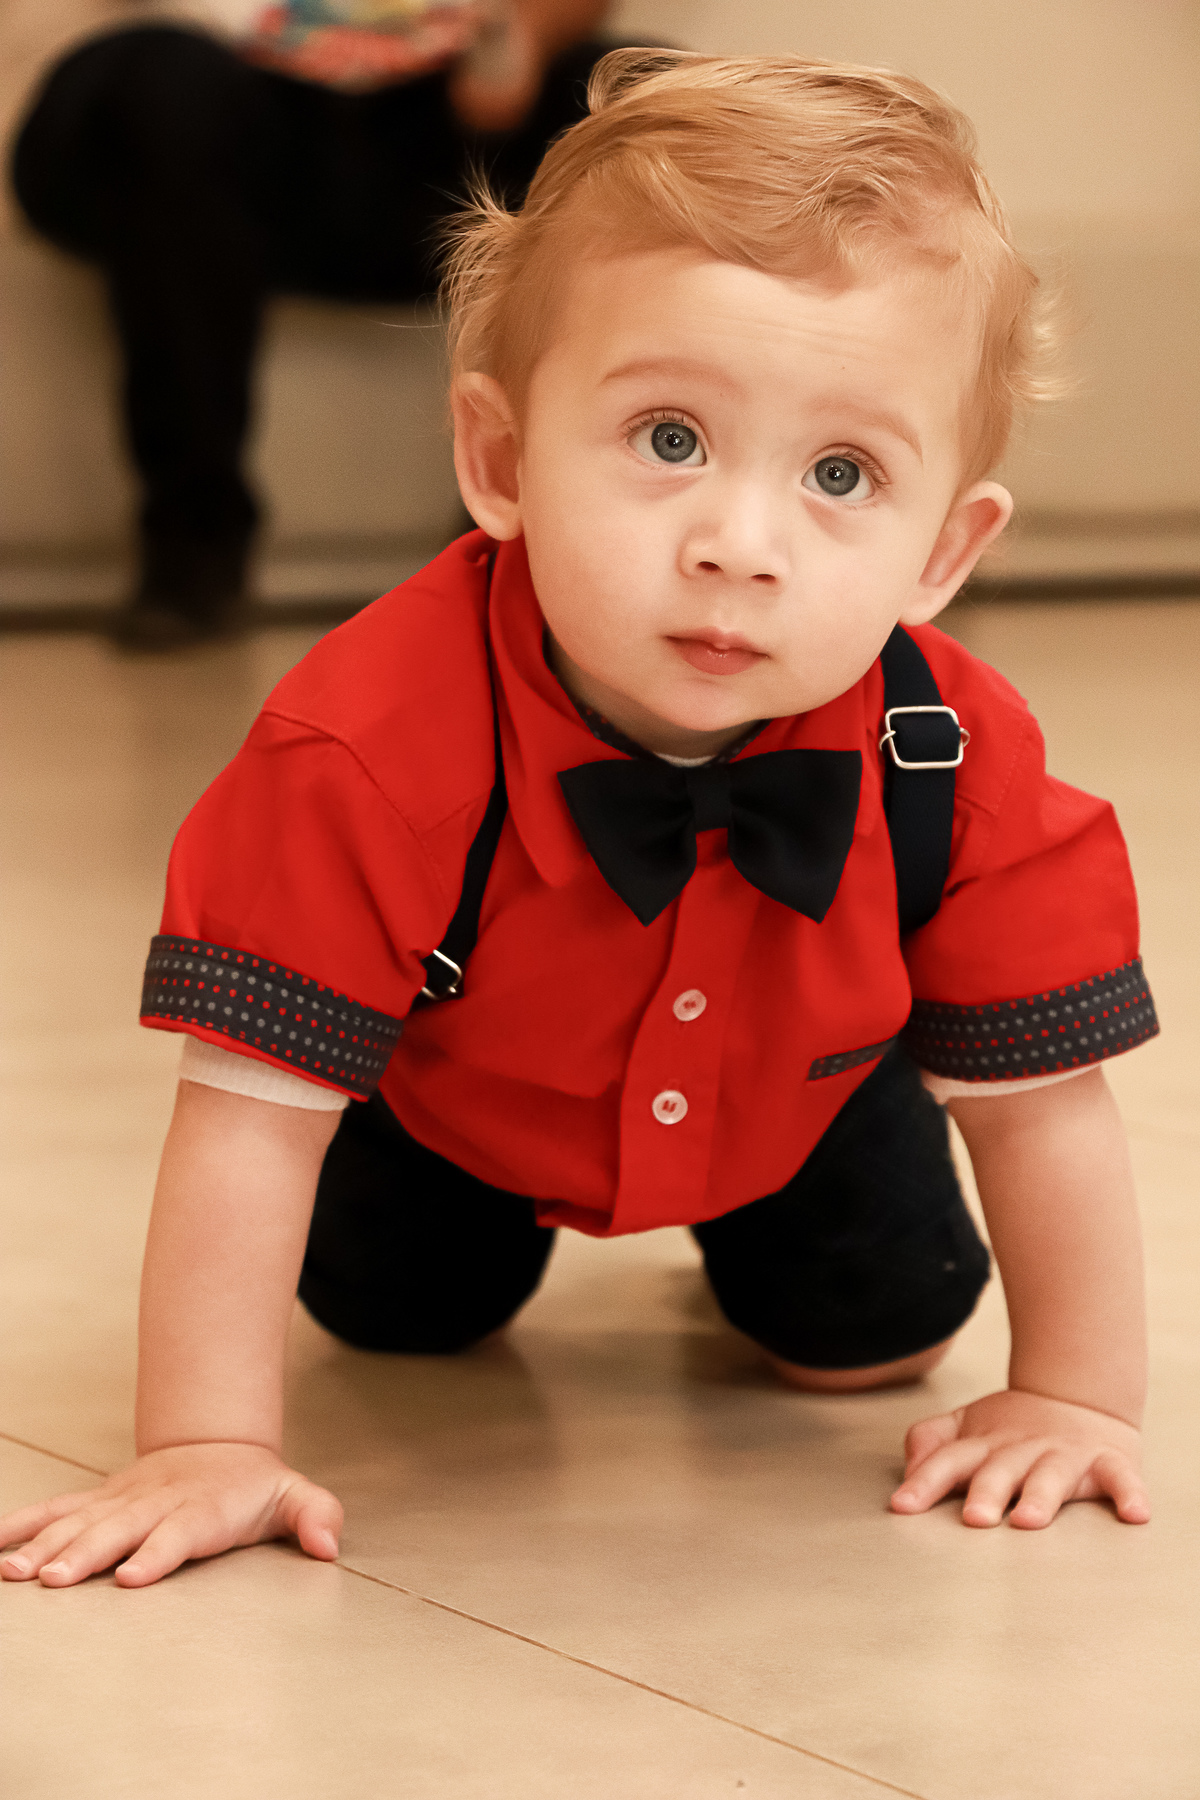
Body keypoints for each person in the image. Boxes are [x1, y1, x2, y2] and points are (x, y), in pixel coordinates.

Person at [0, 49, 1158, 1590]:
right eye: (669, 439)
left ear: (944, 553)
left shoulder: (955, 761)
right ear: (500, 462)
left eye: (840, 472)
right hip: (453, 1109)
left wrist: (1076, 1393)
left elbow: (1044, 1107)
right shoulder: (365, 746)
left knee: (868, 1343)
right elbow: (250, 1114)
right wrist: (206, 1439)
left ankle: (797, 1259)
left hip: (802, 1098)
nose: (738, 543)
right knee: (402, 1320)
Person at [9, 0, 614, 649]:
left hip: (428, 130)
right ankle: (193, 544)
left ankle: (502, 556)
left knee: (633, 96)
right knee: (166, 83)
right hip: (202, 104)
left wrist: (521, 39)